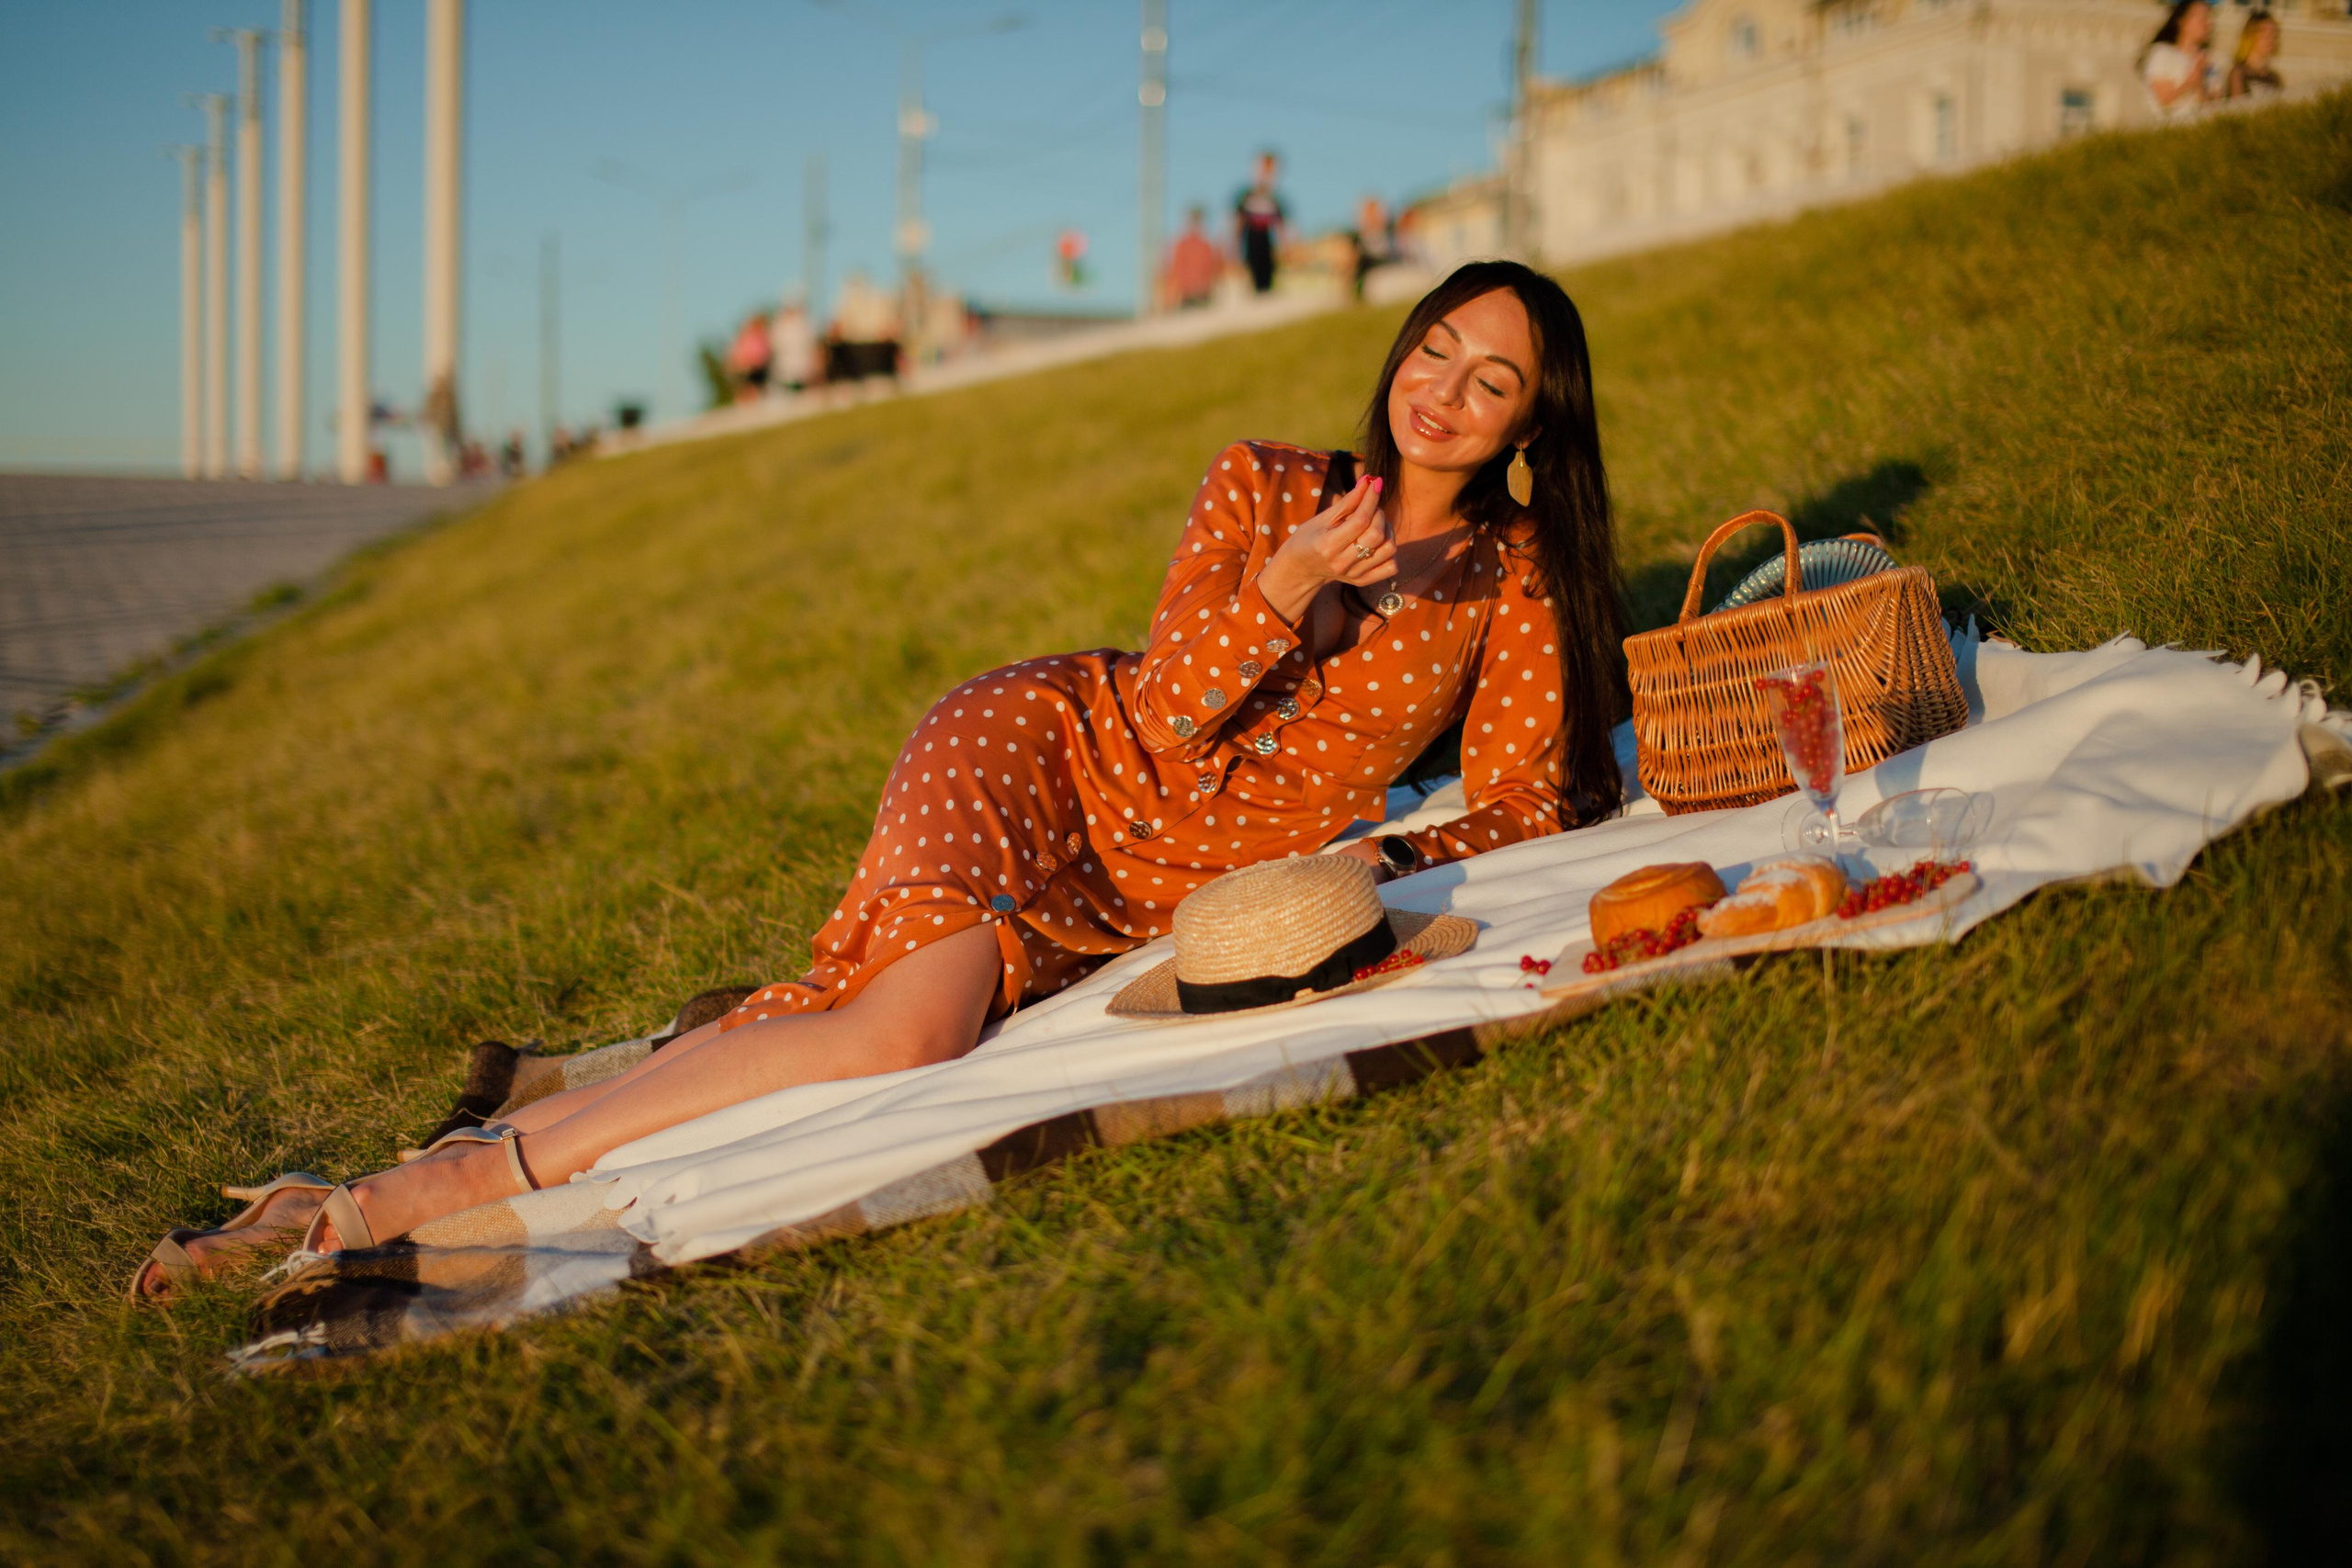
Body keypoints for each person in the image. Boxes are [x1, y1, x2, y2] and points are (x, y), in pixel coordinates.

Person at [131, 261, 1631, 1294]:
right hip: (1043, 750)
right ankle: (476, 1177)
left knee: (859, 1020)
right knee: (905, 1033)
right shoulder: (1263, 481)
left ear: (1530, 420)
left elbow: (1530, 796)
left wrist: (1385, 854)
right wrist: (1285, 580)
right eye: (1435, 346)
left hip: (1147, 890)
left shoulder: (1509, 580)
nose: (1444, 389)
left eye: (1491, 379)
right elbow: (1169, 714)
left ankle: (353, 1193)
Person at [2142, 0, 2214, 119]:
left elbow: (2213, 106)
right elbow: (2163, 99)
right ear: (2182, 21)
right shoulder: (2162, 53)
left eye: (2208, 16)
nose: (2206, 22)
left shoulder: (2209, 62)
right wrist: (2190, 82)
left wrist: (2200, 83)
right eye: (2200, 16)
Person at [1233, 151, 1288, 295]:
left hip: (1267, 242)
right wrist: (1234, 250)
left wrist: (1285, 247)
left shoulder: (1274, 198)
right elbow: (1238, 223)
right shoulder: (1247, 195)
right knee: (1253, 275)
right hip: (1252, 242)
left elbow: (1280, 225)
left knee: (1267, 277)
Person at [1163, 206, 1223, 310]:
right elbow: (1176, 271)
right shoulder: (1182, 245)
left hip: (1204, 294)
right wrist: (1169, 297)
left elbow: (1214, 270)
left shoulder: (1206, 246)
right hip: (1188, 295)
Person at [2224, 8, 2283, 100]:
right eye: (2265, 34)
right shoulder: (2238, 74)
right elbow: (2236, 108)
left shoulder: (2274, 78)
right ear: (2250, 35)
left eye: (2274, 35)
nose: (2270, 40)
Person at [771, 296, 819, 391]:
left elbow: (809, 339)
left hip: (800, 357)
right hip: (786, 359)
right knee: (788, 379)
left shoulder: (802, 322)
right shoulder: (780, 324)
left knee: (801, 378)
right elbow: (775, 340)